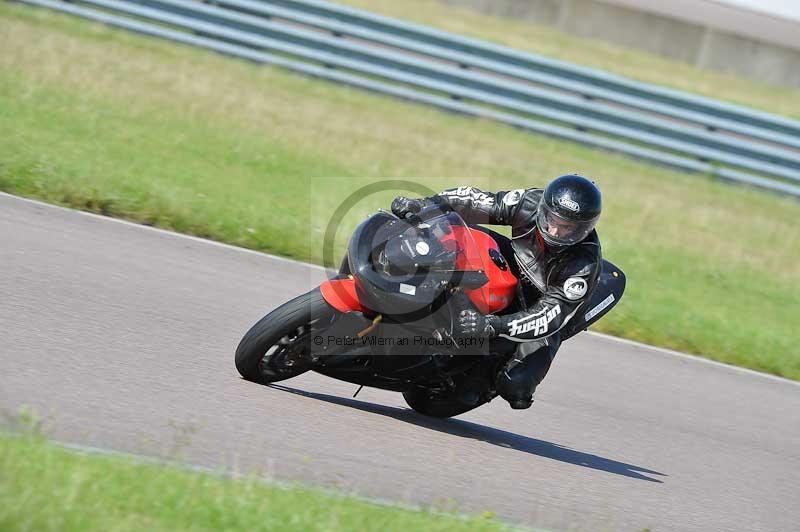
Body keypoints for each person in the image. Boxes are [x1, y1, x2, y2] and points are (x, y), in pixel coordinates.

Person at [391, 175, 602, 409]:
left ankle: (483, 377)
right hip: (513, 258)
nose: (555, 231)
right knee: (451, 234)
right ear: (545, 208)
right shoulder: (530, 202)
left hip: (540, 303)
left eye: (567, 228)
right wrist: (424, 205)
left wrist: (494, 325)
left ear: (584, 229)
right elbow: (474, 201)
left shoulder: (583, 265)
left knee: (516, 385)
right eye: (552, 220)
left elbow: (549, 316)